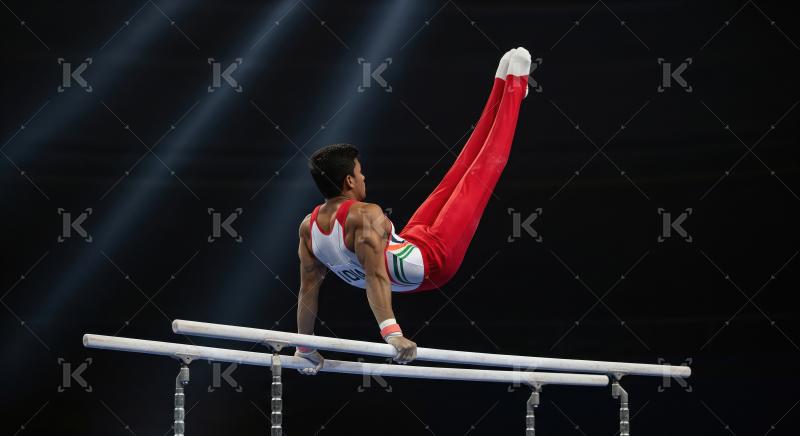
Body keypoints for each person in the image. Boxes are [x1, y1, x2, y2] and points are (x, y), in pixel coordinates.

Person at [295, 47, 531, 374]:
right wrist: (392, 333)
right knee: (483, 171)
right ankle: (516, 86)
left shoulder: (308, 227)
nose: (364, 177)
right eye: (360, 173)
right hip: (436, 261)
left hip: (412, 243)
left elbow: (308, 290)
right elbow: (376, 276)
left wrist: (304, 346)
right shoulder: (363, 215)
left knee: (460, 170)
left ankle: (501, 86)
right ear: (349, 180)